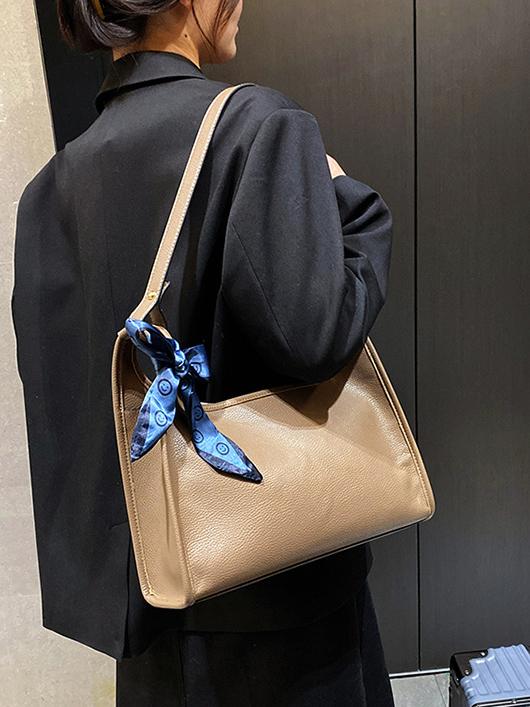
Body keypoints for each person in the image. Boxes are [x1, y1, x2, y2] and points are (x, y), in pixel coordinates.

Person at [11, 0, 395, 704]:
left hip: (151, 609)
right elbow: (316, 337)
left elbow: (61, 399)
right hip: (283, 611)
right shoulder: (258, 128)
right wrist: (352, 204)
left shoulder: (47, 194)